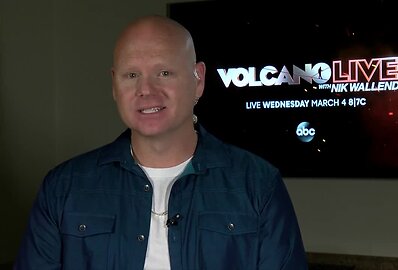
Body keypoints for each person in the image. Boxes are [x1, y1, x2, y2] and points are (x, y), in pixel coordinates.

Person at [14, 15, 308, 269]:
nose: (146, 90)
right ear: (115, 85)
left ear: (199, 79)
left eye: (164, 72)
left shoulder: (258, 185)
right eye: (132, 75)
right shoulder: (63, 188)